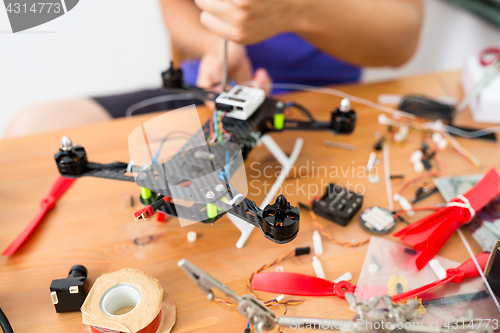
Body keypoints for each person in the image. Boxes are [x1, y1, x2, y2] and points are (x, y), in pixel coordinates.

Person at [4, 0, 424, 138]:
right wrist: (219, 44)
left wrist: (293, 9)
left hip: (319, 103)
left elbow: (403, 35)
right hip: (205, 87)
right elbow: (176, 8)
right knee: (31, 126)